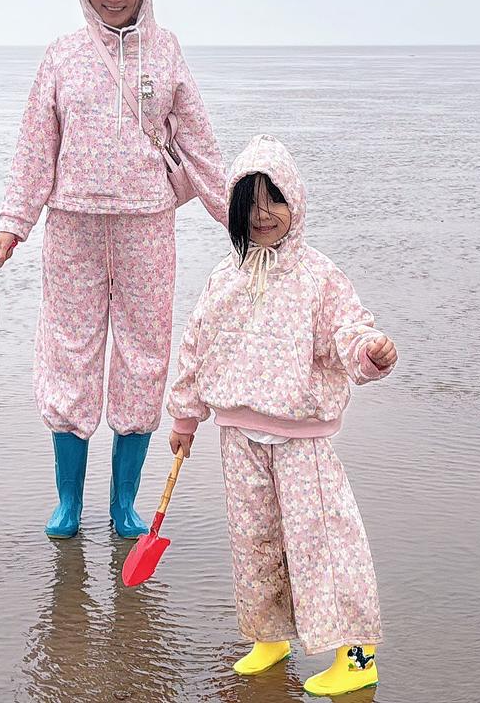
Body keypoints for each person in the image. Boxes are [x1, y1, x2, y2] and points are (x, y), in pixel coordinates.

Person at [0, 0, 227, 540]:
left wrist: (237, 217)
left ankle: (123, 506)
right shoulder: (63, 55)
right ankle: (68, 503)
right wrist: (14, 223)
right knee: (71, 349)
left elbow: (195, 138)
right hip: (74, 223)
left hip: (147, 220)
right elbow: (37, 145)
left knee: (144, 352)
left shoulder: (166, 50)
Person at [167, 133, 397, 697]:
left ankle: (357, 654)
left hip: (301, 440)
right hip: (238, 434)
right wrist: (184, 415)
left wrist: (369, 353)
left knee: (324, 542)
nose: (263, 214)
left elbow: (349, 330)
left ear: (296, 202)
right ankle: (268, 637)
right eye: (249, 202)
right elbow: (196, 347)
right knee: (255, 542)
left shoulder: (318, 275)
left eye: (275, 199)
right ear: (233, 213)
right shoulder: (225, 278)